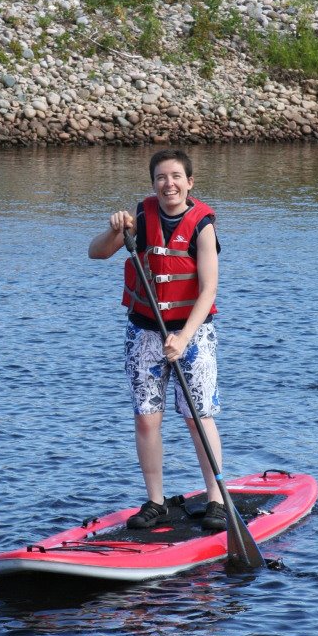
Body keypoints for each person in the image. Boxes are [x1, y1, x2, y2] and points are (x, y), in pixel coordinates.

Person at [88, 148, 226, 532]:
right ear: (153, 184)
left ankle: (216, 500)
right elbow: (96, 253)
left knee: (198, 418)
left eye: (176, 177)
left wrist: (184, 337)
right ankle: (155, 501)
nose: (169, 184)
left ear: (190, 182)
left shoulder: (203, 224)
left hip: (192, 334)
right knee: (147, 420)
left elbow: (209, 289)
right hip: (144, 333)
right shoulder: (142, 219)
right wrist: (116, 229)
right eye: (162, 178)